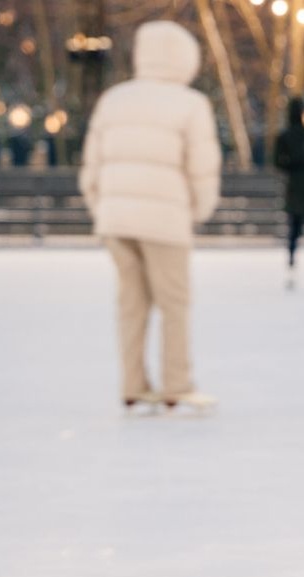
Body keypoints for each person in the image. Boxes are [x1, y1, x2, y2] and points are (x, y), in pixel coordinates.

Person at [79, 20, 222, 412]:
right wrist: (198, 209)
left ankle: (133, 385)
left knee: (131, 303)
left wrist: (101, 207)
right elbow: (202, 167)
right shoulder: (191, 104)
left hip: (116, 220)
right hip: (166, 222)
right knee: (174, 303)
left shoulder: (114, 99)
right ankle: (176, 385)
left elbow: (92, 163)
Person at [273, 96, 304, 288]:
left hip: (293, 186)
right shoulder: (288, 136)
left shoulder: (284, 136)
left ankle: (291, 260)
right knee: (294, 226)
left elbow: (278, 162)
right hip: (296, 186)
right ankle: (291, 262)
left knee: (293, 227)